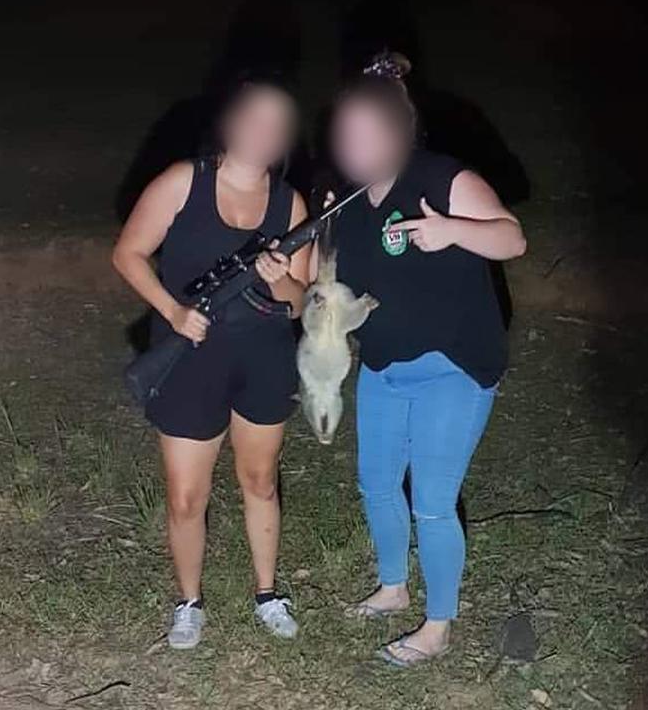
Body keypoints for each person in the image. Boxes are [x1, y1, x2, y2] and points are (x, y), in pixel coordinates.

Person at [327, 52, 527, 666]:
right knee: (376, 483)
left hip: (452, 367)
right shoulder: (347, 202)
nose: (354, 144)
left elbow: (512, 237)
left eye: (367, 132)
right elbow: (332, 282)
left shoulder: (443, 179)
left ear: (398, 131)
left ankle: (437, 627)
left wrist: (454, 230)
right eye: (345, 132)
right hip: (384, 367)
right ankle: (392, 587)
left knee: (433, 501)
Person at [112, 76, 310, 649]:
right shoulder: (183, 181)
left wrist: (282, 283)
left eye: (276, 124)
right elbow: (128, 253)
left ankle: (268, 593)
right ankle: (189, 603)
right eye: (254, 118)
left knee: (259, 480)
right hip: (189, 359)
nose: (262, 132)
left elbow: (303, 297)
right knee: (185, 496)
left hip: (265, 359)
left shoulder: (289, 201)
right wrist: (173, 312)